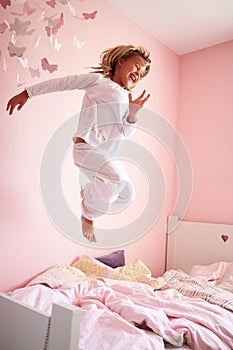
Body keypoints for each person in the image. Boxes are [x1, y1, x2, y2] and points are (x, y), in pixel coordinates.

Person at [6, 44, 151, 243]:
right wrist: (28, 93)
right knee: (115, 182)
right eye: (136, 66)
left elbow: (124, 132)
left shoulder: (126, 97)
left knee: (128, 194)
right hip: (87, 148)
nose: (138, 73)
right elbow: (63, 83)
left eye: (142, 73)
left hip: (105, 156)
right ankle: (88, 212)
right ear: (121, 61)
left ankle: (90, 193)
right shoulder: (99, 81)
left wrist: (132, 114)